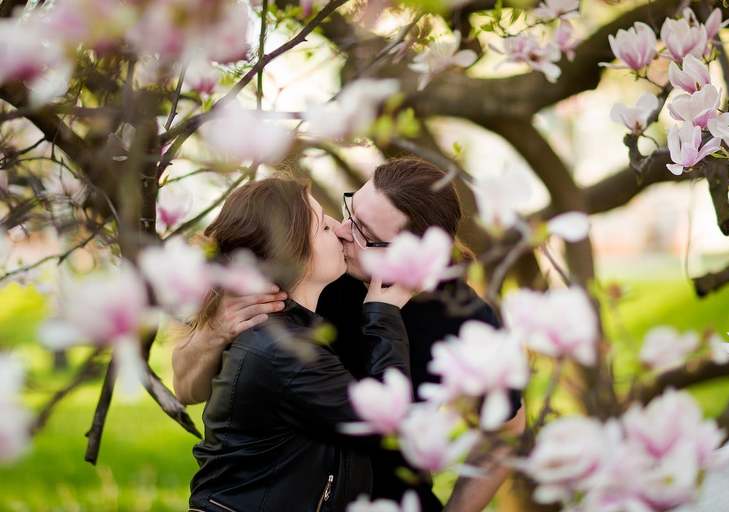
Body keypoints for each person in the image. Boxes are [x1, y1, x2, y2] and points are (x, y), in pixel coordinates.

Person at [174, 157, 526, 512]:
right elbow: (187, 389)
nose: (343, 230)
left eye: (366, 235)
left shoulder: (466, 323)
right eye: (350, 210)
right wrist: (212, 333)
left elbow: (507, 430)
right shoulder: (317, 273)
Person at [187, 177, 413, 512]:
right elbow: (386, 418)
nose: (339, 229)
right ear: (295, 255)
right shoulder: (283, 351)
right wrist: (384, 313)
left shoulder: (283, 333)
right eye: (323, 227)